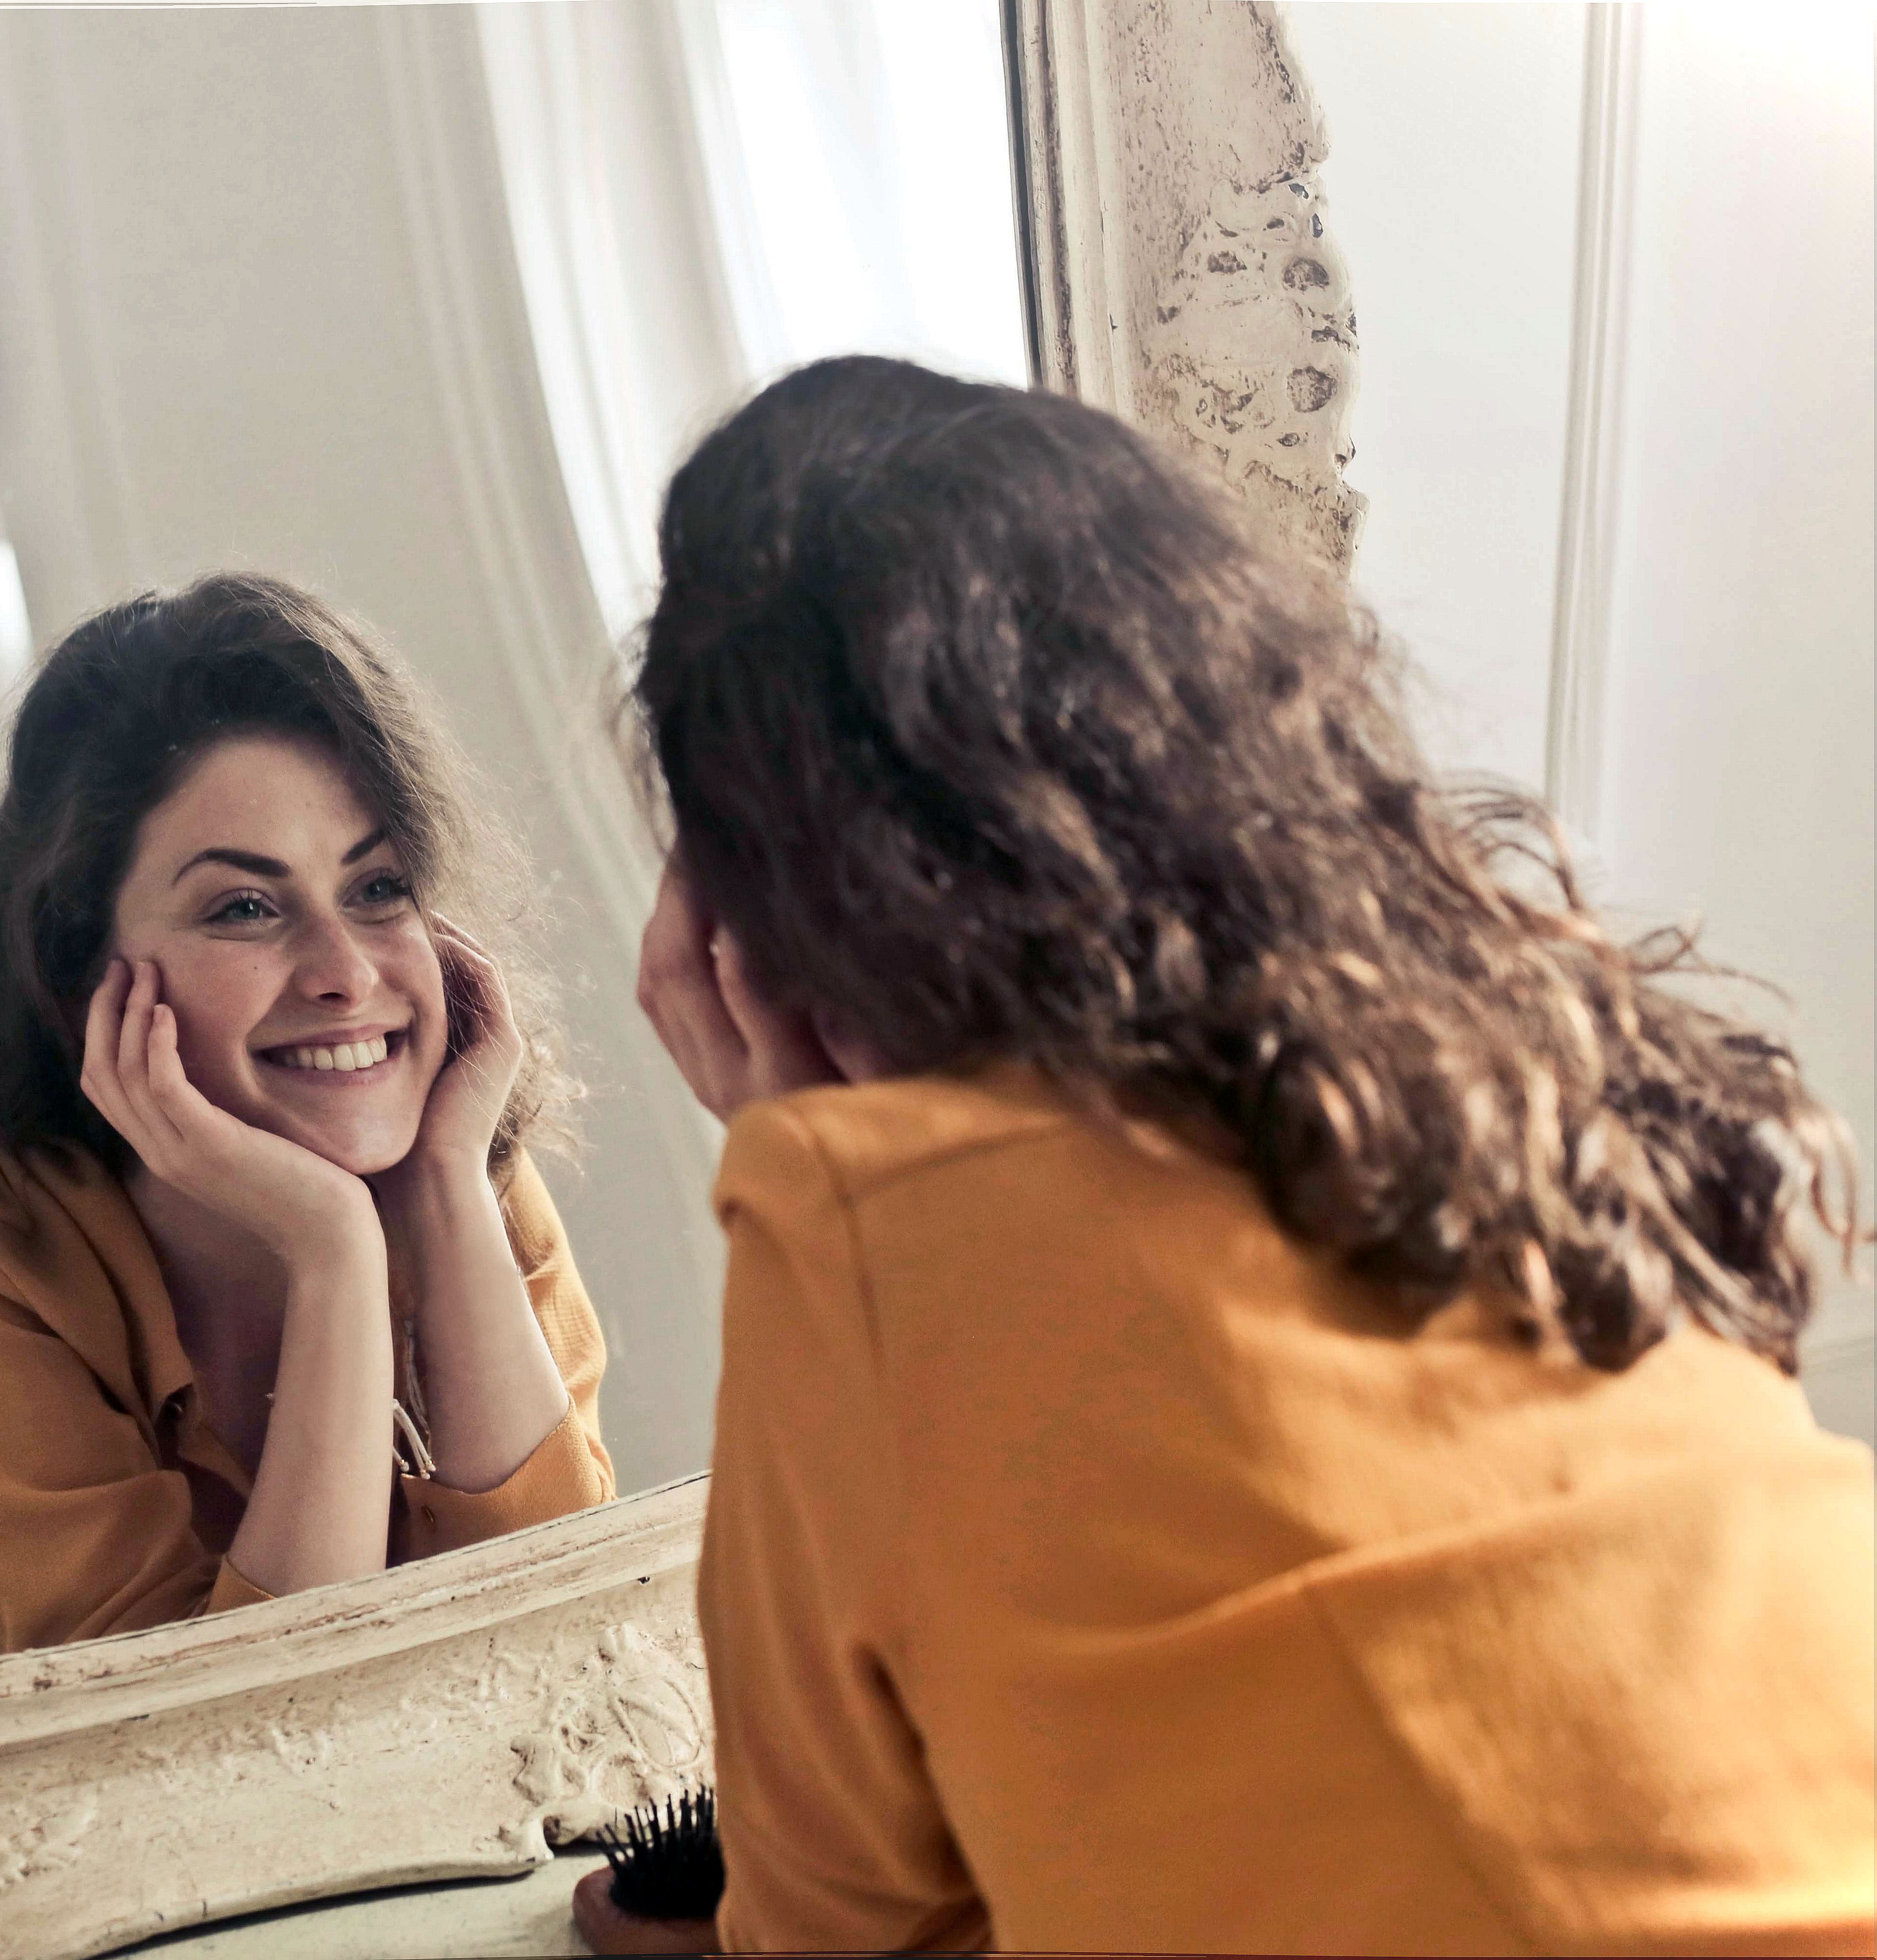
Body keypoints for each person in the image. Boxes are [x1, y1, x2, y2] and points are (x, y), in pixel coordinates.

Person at [609, 357, 1875, 1955]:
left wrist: (800, 1152)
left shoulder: (873, 1218)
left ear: (758, 922)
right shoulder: (1529, 1045)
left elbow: (840, 1929)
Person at [0, 573, 614, 1678]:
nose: (345, 972)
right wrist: (331, 1252)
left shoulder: (456, 1169)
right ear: (82, 965)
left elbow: (565, 1634)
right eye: (245, 907)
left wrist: (445, 1195)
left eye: (378, 886)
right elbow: (217, 1732)